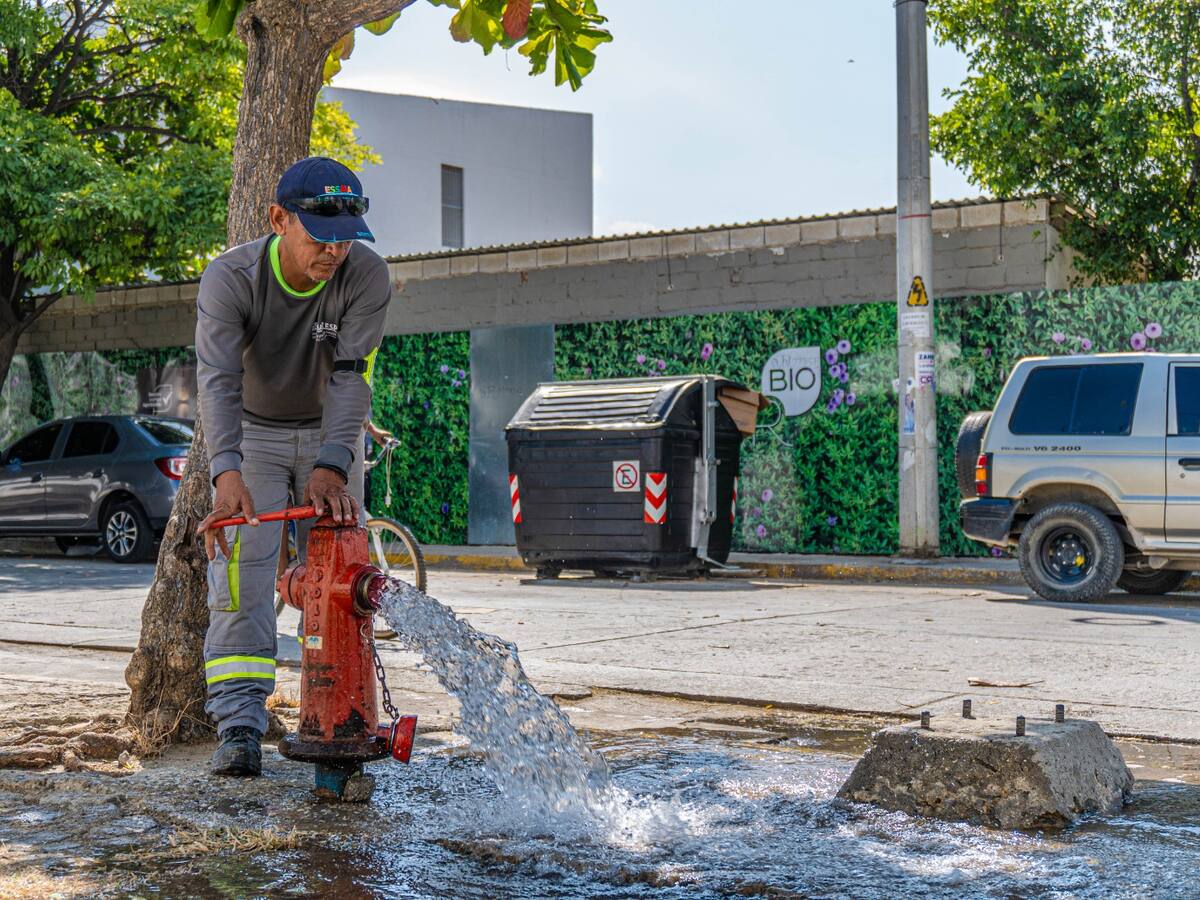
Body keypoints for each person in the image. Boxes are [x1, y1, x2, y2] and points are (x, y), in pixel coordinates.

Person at [194, 157, 391, 777]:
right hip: (253, 432)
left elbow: (352, 377)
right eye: (318, 235)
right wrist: (227, 474)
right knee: (239, 576)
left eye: (346, 237)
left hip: (328, 428)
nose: (334, 251)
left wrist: (335, 463)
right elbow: (218, 380)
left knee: (340, 579)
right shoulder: (231, 278)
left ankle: (338, 725)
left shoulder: (367, 277)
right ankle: (239, 725)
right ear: (278, 219)